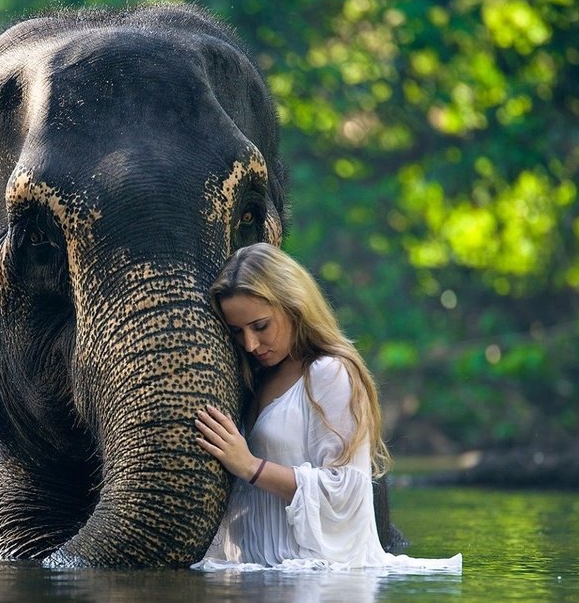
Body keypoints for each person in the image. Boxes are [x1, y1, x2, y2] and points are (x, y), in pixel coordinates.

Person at [193, 243, 461, 572]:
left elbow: (347, 488)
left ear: (294, 306)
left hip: (324, 586)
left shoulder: (329, 372)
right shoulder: (256, 378)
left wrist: (250, 467)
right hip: (262, 578)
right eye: (237, 332)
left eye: (261, 326)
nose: (250, 344)